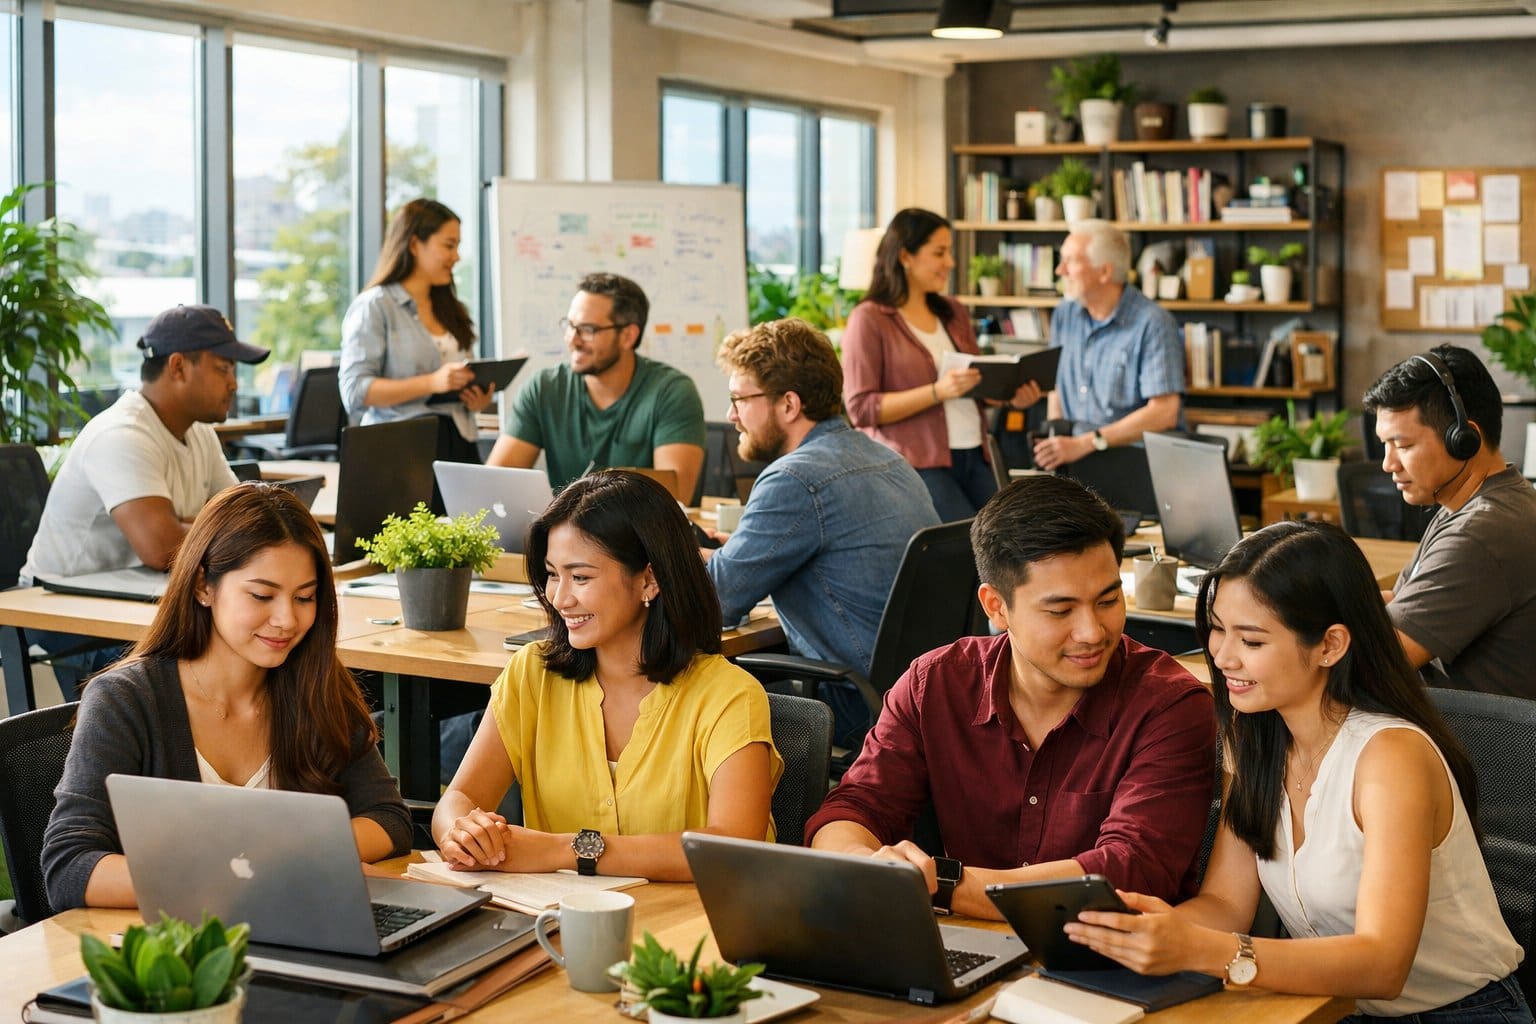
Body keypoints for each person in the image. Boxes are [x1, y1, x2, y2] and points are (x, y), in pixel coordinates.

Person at [1066, 521, 1529, 1022]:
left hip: (1462, 1013)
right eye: (1218, 630)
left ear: (1330, 645)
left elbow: (1382, 965)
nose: (1221, 656)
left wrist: (1198, 951)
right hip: (1328, 1007)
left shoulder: (1392, 758)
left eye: (1252, 641)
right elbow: (1225, 902)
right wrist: (1147, 937)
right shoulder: (1255, 737)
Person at [805, 474, 1215, 920]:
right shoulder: (935, 684)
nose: (1092, 632)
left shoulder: (1170, 704)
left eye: (1108, 600)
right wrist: (867, 863)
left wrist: (940, 885)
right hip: (969, 946)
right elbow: (856, 806)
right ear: (996, 607)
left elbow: (1129, 871)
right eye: (1060, 610)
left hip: (1107, 964)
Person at [41, 483, 412, 911]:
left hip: (297, 936)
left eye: (305, 597)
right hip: (180, 955)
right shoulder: (126, 701)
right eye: (261, 595)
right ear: (203, 585)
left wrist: (292, 857)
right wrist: (241, 881)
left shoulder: (315, 684)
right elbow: (70, 868)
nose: (287, 619)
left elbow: (389, 819)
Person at [432, 470, 781, 882]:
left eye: (581, 577)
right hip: (560, 927)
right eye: (552, 574)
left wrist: (565, 850)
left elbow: (732, 848)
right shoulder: (532, 672)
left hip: (688, 936)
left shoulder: (729, 696)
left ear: (648, 580)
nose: (560, 598)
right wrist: (462, 831)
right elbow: (460, 797)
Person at [703, 318, 940, 746]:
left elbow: (713, 604)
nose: (731, 415)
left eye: (740, 399)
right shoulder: (889, 460)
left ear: (789, 405)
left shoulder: (794, 479)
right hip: (922, 696)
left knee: (700, 698)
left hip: (856, 706)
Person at [20, 304, 270, 694]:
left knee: (266, 643)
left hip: (141, 596)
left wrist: (188, 523)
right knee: (219, 662)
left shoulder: (198, 432)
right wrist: (195, 525)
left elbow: (239, 518)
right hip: (70, 614)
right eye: (224, 368)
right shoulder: (121, 434)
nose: (235, 383)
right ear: (178, 367)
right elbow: (162, 547)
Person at [1362, 344, 1536, 698]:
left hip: (1475, 745)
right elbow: (1402, 600)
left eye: (1402, 445)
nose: (1388, 463)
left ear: (1464, 439)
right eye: (1385, 445)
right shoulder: (1472, 504)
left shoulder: (1483, 531)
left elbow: (1379, 663)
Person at [842, 208, 1037, 522]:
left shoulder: (953, 311)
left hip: (975, 453)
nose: (950, 262)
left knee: (1012, 542)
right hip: (916, 463)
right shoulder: (869, 319)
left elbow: (975, 382)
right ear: (905, 256)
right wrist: (937, 392)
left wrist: (1007, 394)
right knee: (962, 548)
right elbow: (861, 408)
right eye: (939, 252)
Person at [486, 273, 706, 502]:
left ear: (628, 336)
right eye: (570, 326)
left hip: (636, 535)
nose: (573, 339)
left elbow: (674, 498)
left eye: (588, 329)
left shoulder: (672, 392)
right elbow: (495, 485)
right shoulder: (543, 388)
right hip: (562, 533)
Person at [339, 197, 494, 467]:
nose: (456, 256)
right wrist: (432, 383)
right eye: (449, 245)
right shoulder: (375, 305)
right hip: (400, 450)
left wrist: (475, 398)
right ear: (414, 244)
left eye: (457, 246)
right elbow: (355, 390)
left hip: (458, 442)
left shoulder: (451, 308)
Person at [1031, 220, 1183, 472]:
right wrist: (1053, 435)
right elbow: (1057, 386)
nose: (1060, 270)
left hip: (1132, 462)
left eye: (1070, 261)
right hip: (1072, 459)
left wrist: (1087, 442)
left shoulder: (1154, 324)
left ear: (1104, 272)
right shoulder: (1064, 315)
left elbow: (1164, 412)